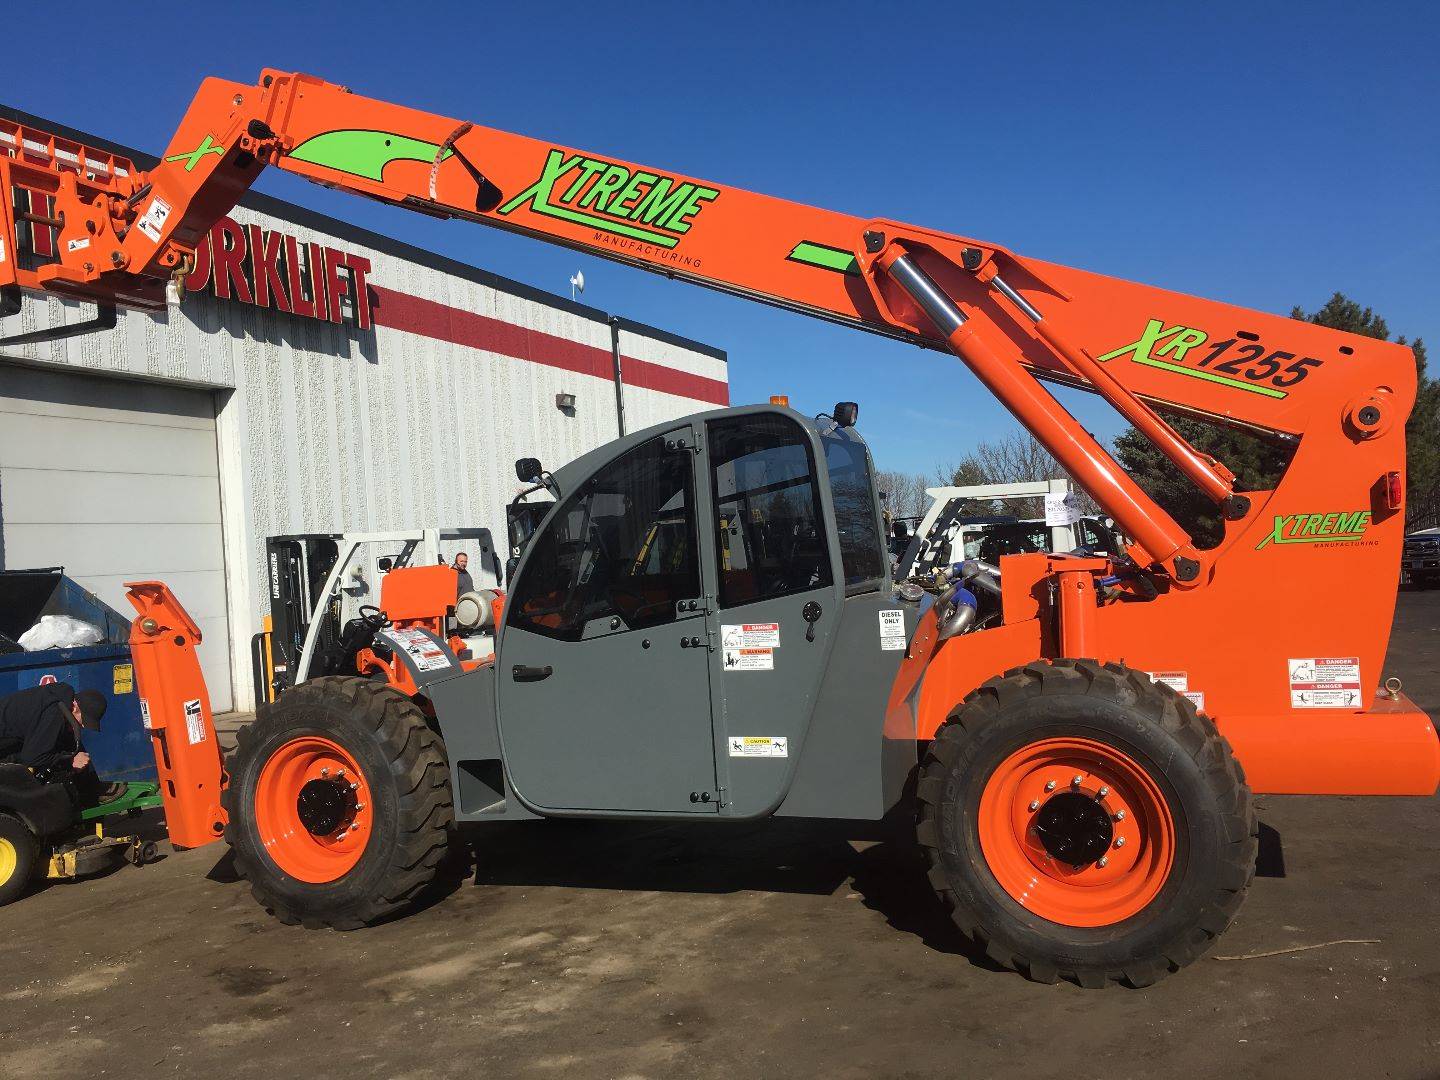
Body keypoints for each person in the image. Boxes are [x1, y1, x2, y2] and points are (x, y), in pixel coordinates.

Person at [0, 682, 119, 803]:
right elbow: (32, 758)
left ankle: (92, 788)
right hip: (5, 748)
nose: (83, 726)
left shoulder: (61, 700)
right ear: (75, 706)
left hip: (13, 739)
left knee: (69, 738)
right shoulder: (54, 713)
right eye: (84, 721)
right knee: (50, 754)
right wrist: (70, 760)